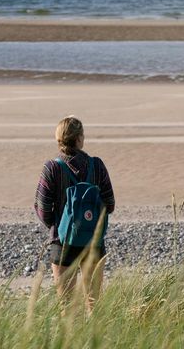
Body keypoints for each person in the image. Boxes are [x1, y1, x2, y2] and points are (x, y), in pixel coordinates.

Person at [34, 115, 115, 309]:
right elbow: (110, 204)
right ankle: (96, 339)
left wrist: (58, 226)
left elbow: (42, 207)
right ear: (79, 139)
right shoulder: (97, 165)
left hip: (62, 243)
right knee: (94, 306)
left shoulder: (52, 168)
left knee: (67, 308)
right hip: (93, 242)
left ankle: (71, 340)